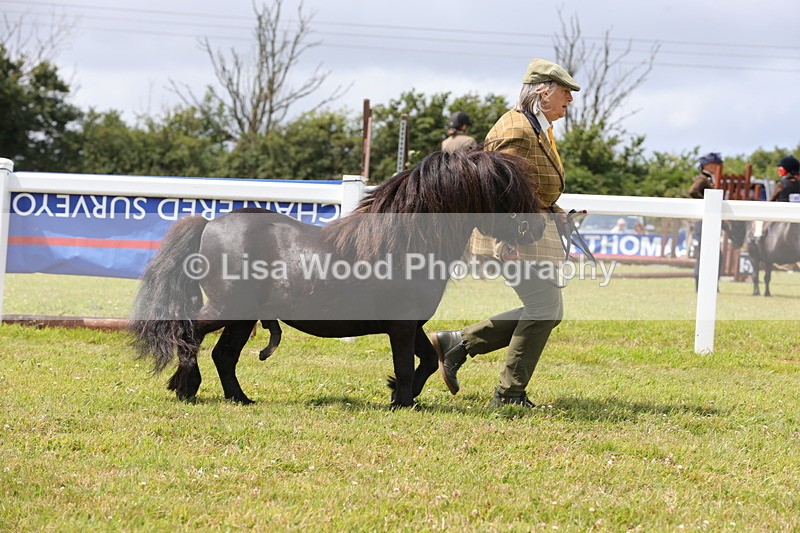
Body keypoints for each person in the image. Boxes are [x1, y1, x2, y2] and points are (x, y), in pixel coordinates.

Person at [429, 58, 579, 408]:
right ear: (543, 93)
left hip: (532, 228)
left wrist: (556, 212)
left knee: (547, 311)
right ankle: (509, 393)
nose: (569, 100)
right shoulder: (517, 130)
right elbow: (497, 191)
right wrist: (505, 240)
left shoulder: (538, 127)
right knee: (543, 307)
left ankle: (457, 342)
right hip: (514, 233)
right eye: (565, 93)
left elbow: (531, 189)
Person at [688, 152, 724, 291]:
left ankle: (711, 284)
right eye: (715, 164)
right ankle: (701, 284)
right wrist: (706, 204)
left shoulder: (709, 179)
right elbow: (693, 191)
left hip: (707, 221)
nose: (717, 167)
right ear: (708, 165)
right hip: (703, 222)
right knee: (704, 252)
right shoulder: (702, 179)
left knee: (714, 253)